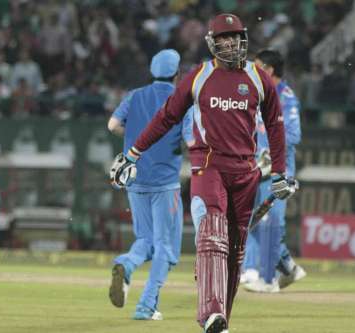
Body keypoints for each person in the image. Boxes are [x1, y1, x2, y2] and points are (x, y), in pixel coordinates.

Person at [110, 14, 293, 333]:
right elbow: (166, 118)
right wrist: (133, 153)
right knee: (211, 234)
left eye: (235, 37)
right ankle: (210, 312)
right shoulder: (199, 76)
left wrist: (279, 173)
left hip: (246, 173)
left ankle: (220, 319)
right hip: (209, 166)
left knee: (235, 253)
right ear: (213, 42)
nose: (231, 43)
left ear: (243, 39)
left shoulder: (258, 78)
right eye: (224, 38)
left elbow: (276, 128)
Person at [107, 49, 194, 321]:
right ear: (177, 74)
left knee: (145, 239)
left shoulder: (134, 96)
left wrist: (133, 138)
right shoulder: (181, 100)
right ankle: (146, 305)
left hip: (135, 180)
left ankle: (125, 263)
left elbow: (112, 125)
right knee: (166, 248)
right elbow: (192, 141)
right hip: (165, 183)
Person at [242, 50, 306, 293]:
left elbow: (293, 134)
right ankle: (286, 268)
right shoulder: (256, 94)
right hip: (258, 167)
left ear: (269, 70)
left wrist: (268, 151)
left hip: (278, 168)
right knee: (253, 219)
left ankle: (265, 278)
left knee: (269, 221)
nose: (252, 72)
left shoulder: (286, 97)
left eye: (257, 67)